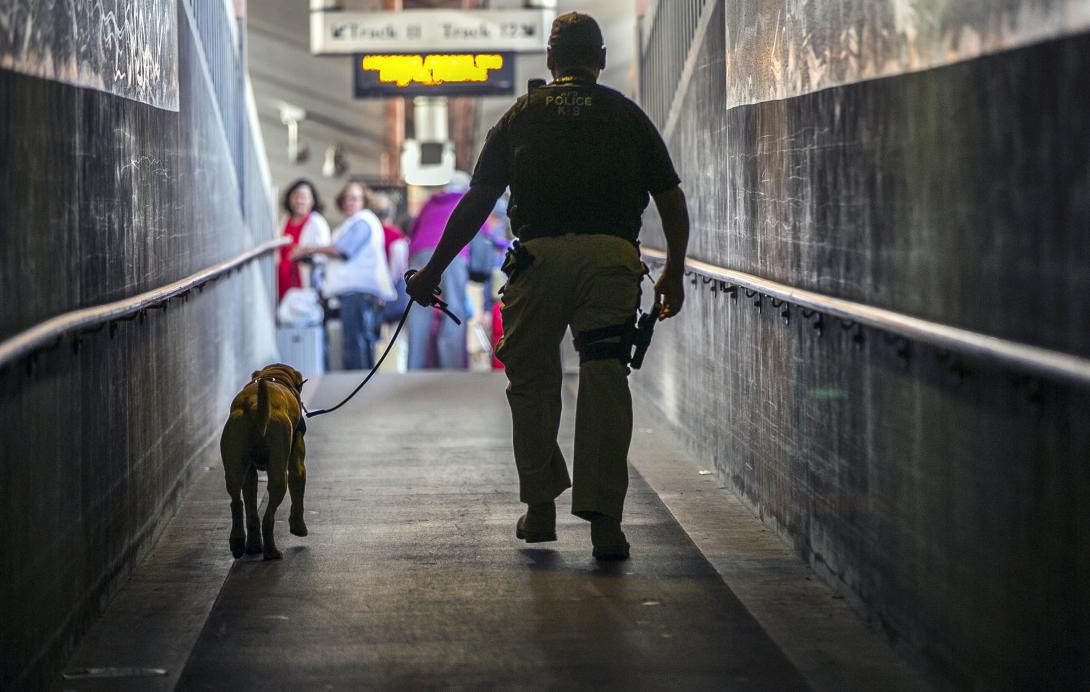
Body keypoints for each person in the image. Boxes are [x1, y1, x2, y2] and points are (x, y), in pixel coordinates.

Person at [406, 12, 690, 561]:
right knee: (606, 378)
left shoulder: (520, 116)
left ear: (551, 60)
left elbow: (478, 201)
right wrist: (674, 269)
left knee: (532, 380)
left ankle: (540, 510)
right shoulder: (626, 115)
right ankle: (605, 523)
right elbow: (671, 198)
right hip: (610, 259)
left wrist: (434, 269)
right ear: (601, 60)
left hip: (537, 262)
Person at [292, 182, 395, 370]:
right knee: (356, 340)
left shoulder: (363, 221)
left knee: (355, 342)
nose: (350, 202)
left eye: (355, 198)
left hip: (359, 291)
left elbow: (343, 251)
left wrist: (309, 249)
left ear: (364, 201)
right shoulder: (350, 224)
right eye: (346, 199)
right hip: (353, 291)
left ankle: (358, 385)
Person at [405, 172, 478, 369]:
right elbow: (482, 231)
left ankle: (415, 366)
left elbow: (413, 230)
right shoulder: (469, 199)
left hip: (419, 252)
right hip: (453, 253)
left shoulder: (430, 203)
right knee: (453, 306)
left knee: (418, 309)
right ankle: (452, 367)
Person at [277, 179, 331, 301]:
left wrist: (304, 253)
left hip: (305, 282)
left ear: (312, 200)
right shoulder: (285, 220)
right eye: (295, 196)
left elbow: (323, 256)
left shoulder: (317, 222)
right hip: (283, 280)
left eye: (304, 197)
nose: (299, 201)